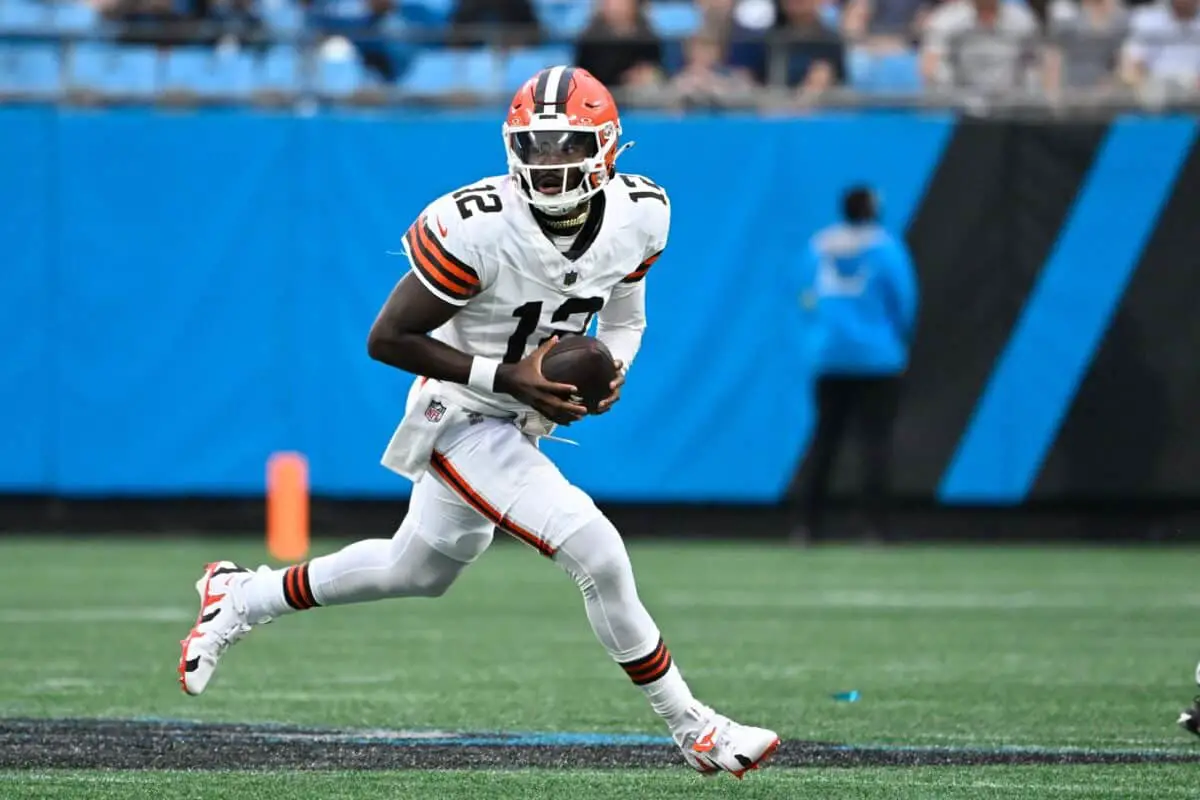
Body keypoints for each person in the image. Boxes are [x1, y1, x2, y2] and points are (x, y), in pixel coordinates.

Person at [177, 66, 780, 779]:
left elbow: (626, 311)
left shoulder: (643, 212)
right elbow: (387, 338)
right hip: (461, 409)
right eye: (536, 145)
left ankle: (242, 594)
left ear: (608, 147)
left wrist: (611, 369)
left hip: (519, 412)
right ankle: (694, 727)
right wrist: (509, 378)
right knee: (598, 551)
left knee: (418, 569)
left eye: (565, 147)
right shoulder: (478, 227)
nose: (548, 164)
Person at [790, 185, 917, 542]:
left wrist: (819, 339)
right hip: (879, 360)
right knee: (874, 444)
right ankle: (874, 528)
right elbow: (904, 301)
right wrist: (897, 342)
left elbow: (805, 298)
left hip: (829, 358)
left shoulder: (818, 246)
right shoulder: (887, 247)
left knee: (824, 442)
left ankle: (806, 528)